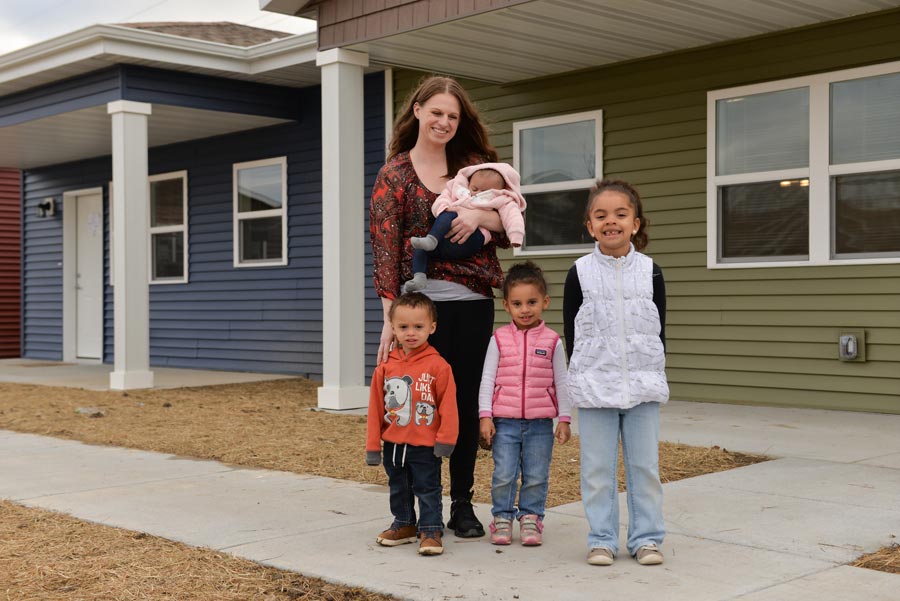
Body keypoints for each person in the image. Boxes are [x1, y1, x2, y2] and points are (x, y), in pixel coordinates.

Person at [370, 75, 509, 538]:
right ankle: (412, 513)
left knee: (464, 404)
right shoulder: (395, 174)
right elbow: (386, 248)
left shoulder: (475, 167)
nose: (444, 122)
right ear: (417, 112)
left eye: (453, 115)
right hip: (418, 314)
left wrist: (478, 214)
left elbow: (511, 221)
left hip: (472, 305)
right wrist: (391, 319)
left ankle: (463, 505)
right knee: (415, 407)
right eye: (437, 113)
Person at [563, 179, 669, 567]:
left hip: (642, 386)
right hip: (595, 388)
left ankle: (646, 539)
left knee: (644, 468)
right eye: (601, 215)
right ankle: (602, 539)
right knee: (596, 470)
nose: (612, 222)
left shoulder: (651, 271)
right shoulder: (579, 272)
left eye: (621, 214)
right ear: (590, 226)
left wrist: (653, 374)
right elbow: (573, 333)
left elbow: (660, 330)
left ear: (636, 224)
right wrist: (584, 378)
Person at [477, 261, 571, 546]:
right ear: (507, 305)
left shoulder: (553, 341)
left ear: (545, 301)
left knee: (536, 475)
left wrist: (564, 418)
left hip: (540, 424)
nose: (525, 309)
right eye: (517, 303)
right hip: (504, 422)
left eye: (532, 302)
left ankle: (531, 518)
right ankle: (502, 519)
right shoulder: (499, 339)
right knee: (504, 473)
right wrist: (485, 416)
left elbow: (562, 382)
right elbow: (487, 379)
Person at [366, 292, 459, 556]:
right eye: (403, 327)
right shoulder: (385, 367)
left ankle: (430, 529)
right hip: (394, 441)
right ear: (392, 328)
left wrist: (446, 440)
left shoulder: (438, 366)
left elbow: (448, 406)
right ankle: (405, 523)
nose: (411, 333)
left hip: (425, 444)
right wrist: (373, 445)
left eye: (418, 327)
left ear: (432, 327)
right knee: (399, 486)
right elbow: (375, 407)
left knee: (428, 487)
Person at [404, 163, 526, 293]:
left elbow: (513, 216)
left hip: (472, 239)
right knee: (421, 247)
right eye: (474, 188)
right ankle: (419, 276)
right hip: (444, 240)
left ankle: (431, 240)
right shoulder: (459, 189)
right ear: (468, 183)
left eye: (485, 192)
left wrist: (516, 235)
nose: (477, 193)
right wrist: (444, 208)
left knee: (449, 214)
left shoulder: (502, 199)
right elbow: (443, 198)